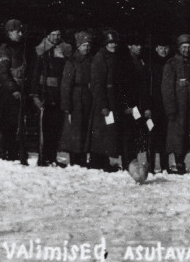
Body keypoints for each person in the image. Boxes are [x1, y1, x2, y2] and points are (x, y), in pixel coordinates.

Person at [30, 29, 69, 166]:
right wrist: (35, 94)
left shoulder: (65, 50)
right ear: (47, 35)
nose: (56, 37)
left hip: (59, 94)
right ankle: (43, 157)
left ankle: (52, 157)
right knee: (44, 128)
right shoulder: (41, 51)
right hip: (44, 93)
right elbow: (35, 74)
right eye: (53, 34)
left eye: (58, 34)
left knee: (56, 127)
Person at [162, 34, 190, 175]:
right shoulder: (171, 64)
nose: (187, 50)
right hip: (178, 108)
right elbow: (167, 89)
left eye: (189, 47)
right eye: (184, 47)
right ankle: (179, 162)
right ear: (178, 48)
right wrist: (170, 109)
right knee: (178, 137)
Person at [88, 30, 125, 171]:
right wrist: (103, 104)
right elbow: (98, 83)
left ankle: (104, 161)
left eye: (115, 42)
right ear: (105, 44)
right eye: (110, 43)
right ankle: (97, 162)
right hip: (103, 102)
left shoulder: (114, 57)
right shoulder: (100, 58)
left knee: (108, 131)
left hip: (112, 100)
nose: (113, 45)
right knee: (102, 131)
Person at [0, 19, 28, 164]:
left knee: (16, 123)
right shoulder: (5, 49)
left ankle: (13, 152)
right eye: (17, 31)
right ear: (9, 33)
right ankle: (3, 153)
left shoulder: (20, 48)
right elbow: (3, 73)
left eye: (21, 31)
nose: (20, 33)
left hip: (18, 91)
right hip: (7, 93)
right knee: (6, 124)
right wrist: (13, 89)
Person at [59, 31, 93, 167]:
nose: (86, 48)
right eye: (84, 45)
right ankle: (75, 159)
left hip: (88, 97)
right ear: (78, 46)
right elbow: (66, 85)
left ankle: (84, 157)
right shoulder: (72, 62)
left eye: (88, 45)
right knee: (76, 130)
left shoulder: (91, 61)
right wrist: (66, 105)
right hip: (75, 99)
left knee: (86, 129)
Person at [120, 35, 151, 171]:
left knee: (137, 134)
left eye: (140, 45)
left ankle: (135, 163)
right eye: (136, 45)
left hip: (139, 105)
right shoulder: (125, 62)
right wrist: (126, 105)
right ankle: (127, 163)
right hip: (129, 105)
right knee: (128, 135)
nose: (139, 47)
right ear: (129, 46)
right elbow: (121, 86)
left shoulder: (141, 61)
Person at [147, 38, 171, 173]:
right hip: (153, 107)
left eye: (166, 47)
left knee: (165, 137)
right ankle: (150, 166)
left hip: (165, 106)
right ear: (156, 49)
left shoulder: (170, 63)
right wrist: (147, 107)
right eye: (161, 47)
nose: (164, 50)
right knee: (152, 136)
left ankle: (164, 166)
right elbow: (145, 88)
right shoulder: (150, 65)